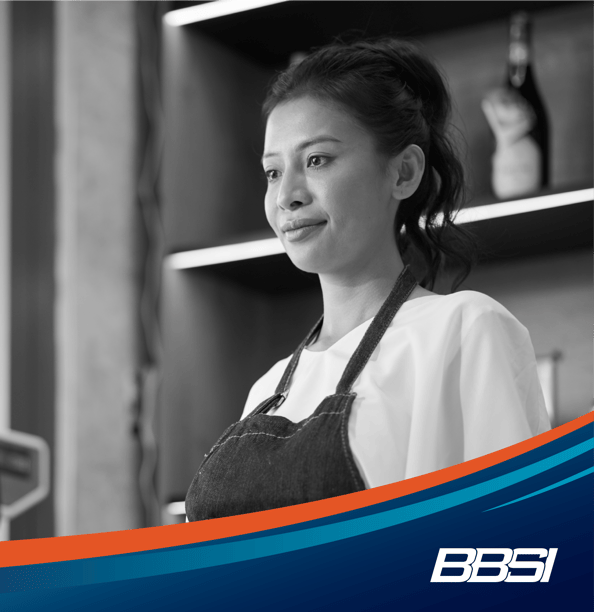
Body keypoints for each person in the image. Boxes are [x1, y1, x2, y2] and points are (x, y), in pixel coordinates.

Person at [185, 38, 550, 522]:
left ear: (403, 172)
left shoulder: (462, 331)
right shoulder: (268, 390)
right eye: (273, 173)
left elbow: (519, 548)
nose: (287, 196)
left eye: (317, 160)